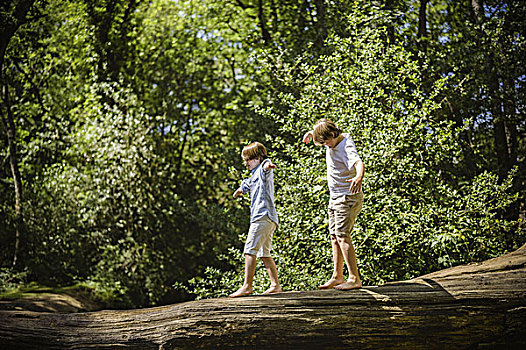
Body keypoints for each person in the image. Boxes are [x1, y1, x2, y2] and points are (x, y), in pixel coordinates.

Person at [303, 119, 364, 290]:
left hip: (347, 198)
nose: (326, 146)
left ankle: (354, 278)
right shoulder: (332, 139)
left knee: (343, 235)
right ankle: (337, 276)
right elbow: (323, 132)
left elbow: (358, 162)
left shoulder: (345, 146)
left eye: (326, 142)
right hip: (335, 197)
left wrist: (358, 177)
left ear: (332, 135)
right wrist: (311, 134)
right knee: (334, 236)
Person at [230, 141, 282, 298]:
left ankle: (247, 286)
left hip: (262, 216)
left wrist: (267, 166)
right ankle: (275, 285)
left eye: (249, 159)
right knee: (264, 254)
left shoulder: (263, 168)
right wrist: (240, 190)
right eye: (245, 160)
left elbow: (266, 166)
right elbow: (247, 183)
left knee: (249, 250)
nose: (246, 163)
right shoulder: (253, 175)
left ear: (258, 158)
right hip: (268, 219)